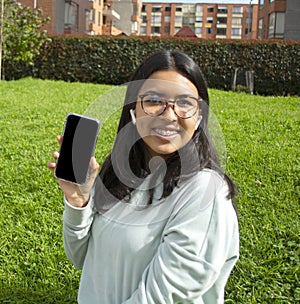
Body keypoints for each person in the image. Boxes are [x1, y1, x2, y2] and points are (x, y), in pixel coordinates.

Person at [48, 50, 239, 304]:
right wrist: (78, 201)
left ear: (199, 116)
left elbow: (160, 297)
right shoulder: (120, 176)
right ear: (133, 111)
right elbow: (82, 258)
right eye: (154, 101)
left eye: (185, 103)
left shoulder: (206, 191)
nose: (170, 115)